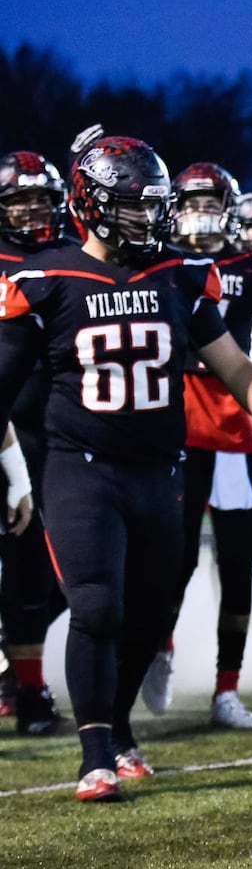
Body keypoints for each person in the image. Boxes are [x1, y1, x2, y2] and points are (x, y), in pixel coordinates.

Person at [0, 131, 252, 800]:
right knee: (96, 605)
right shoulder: (45, 279)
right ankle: (96, 752)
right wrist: (14, 476)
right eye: (135, 206)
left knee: (152, 610)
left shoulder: (177, 276)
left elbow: (233, 362)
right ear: (92, 203)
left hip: (160, 471)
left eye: (153, 205)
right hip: (82, 467)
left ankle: (120, 724)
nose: (152, 217)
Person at [148, 163, 252, 729]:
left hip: (234, 430)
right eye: (192, 205)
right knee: (171, 562)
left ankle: (225, 689)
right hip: (173, 428)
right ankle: (160, 647)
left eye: (213, 205)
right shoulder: (156, 260)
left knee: (237, 567)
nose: (202, 217)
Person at [0, 150, 72, 735]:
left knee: (69, 571)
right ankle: (26, 687)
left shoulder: (69, 258)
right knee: (22, 561)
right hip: (9, 428)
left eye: (42, 199)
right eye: (20, 200)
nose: (32, 210)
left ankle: (17, 671)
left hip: (64, 425)